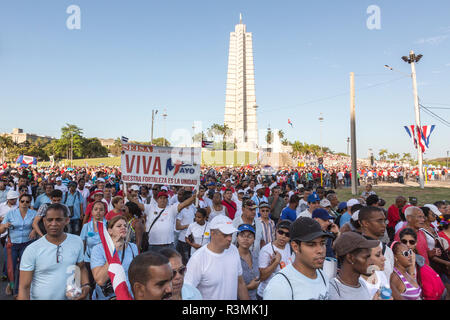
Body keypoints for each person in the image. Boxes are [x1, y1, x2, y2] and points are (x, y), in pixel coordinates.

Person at [18, 203, 90, 300]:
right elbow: (24, 287)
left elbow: (81, 267)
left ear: (67, 220)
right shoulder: (32, 249)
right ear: (44, 221)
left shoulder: (77, 241)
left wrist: (86, 285)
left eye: (59, 220)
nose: (53, 224)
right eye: (50, 220)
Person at [263, 217, 331, 300]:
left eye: (322, 243)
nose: (320, 250)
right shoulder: (280, 286)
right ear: (295, 247)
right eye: (311, 244)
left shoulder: (323, 276)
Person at [184, 215, 250, 300]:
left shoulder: (233, 250)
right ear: (212, 233)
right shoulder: (198, 259)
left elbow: (240, 283)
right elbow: (187, 293)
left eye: (231, 234)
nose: (230, 238)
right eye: (225, 234)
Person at [90, 216, 139, 300]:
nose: (123, 227)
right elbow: (100, 280)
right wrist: (113, 252)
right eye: (119, 226)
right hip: (107, 297)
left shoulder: (133, 247)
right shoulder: (98, 249)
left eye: (125, 226)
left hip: (128, 295)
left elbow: (138, 274)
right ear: (110, 231)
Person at [0, 193, 37, 296]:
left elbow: (37, 225)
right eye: (22, 201)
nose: (24, 203)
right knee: (10, 268)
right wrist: (5, 226)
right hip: (12, 245)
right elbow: (0, 230)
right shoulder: (10, 214)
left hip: (27, 244)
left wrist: (34, 230)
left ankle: (18, 291)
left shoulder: (34, 213)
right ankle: (10, 284)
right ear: (19, 201)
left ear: (30, 203)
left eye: (27, 201)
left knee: (23, 268)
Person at [329, 232, 381, 300]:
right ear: (350, 258)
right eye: (366, 257)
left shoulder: (362, 284)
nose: (372, 262)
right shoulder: (333, 288)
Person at [399, 228, 447, 300]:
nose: (407, 245)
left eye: (411, 242)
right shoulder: (397, 260)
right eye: (404, 241)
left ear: (416, 243)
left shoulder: (419, 259)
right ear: (399, 242)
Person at [257, 220, 294, 300]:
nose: (283, 236)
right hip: (266, 294)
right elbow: (262, 277)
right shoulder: (266, 250)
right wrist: (276, 262)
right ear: (276, 232)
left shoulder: (290, 247)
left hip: (283, 294)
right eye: (281, 232)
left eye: (287, 235)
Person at [358, 206, 394, 279]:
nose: (384, 225)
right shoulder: (356, 249)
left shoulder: (387, 250)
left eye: (384, 221)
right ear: (365, 223)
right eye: (379, 221)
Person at [79, 200, 107, 292]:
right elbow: (82, 243)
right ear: (92, 212)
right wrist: (81, 259)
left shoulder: (109, 225)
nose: (98, 211)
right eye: (96, 209)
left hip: (105, 261)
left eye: (101, 209)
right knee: (90, 284)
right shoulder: (86, 226)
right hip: (88, 259)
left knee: (103, 284)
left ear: (104, 212)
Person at [236, 224, 260, 300]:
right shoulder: (232, 258)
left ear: (254, 239)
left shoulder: (255, 256)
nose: (245, 239)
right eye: (242, 235)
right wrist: (249, 287)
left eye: (249, 236)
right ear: (237, 237)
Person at [175, 190, 197, 265]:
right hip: (183, 239)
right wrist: (188, 226)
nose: (193, 199)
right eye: (192, 198)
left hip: (191, 239)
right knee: (184, 261)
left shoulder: (192, 207)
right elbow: (177, 227)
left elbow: (195, 217)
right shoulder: (181, 210)